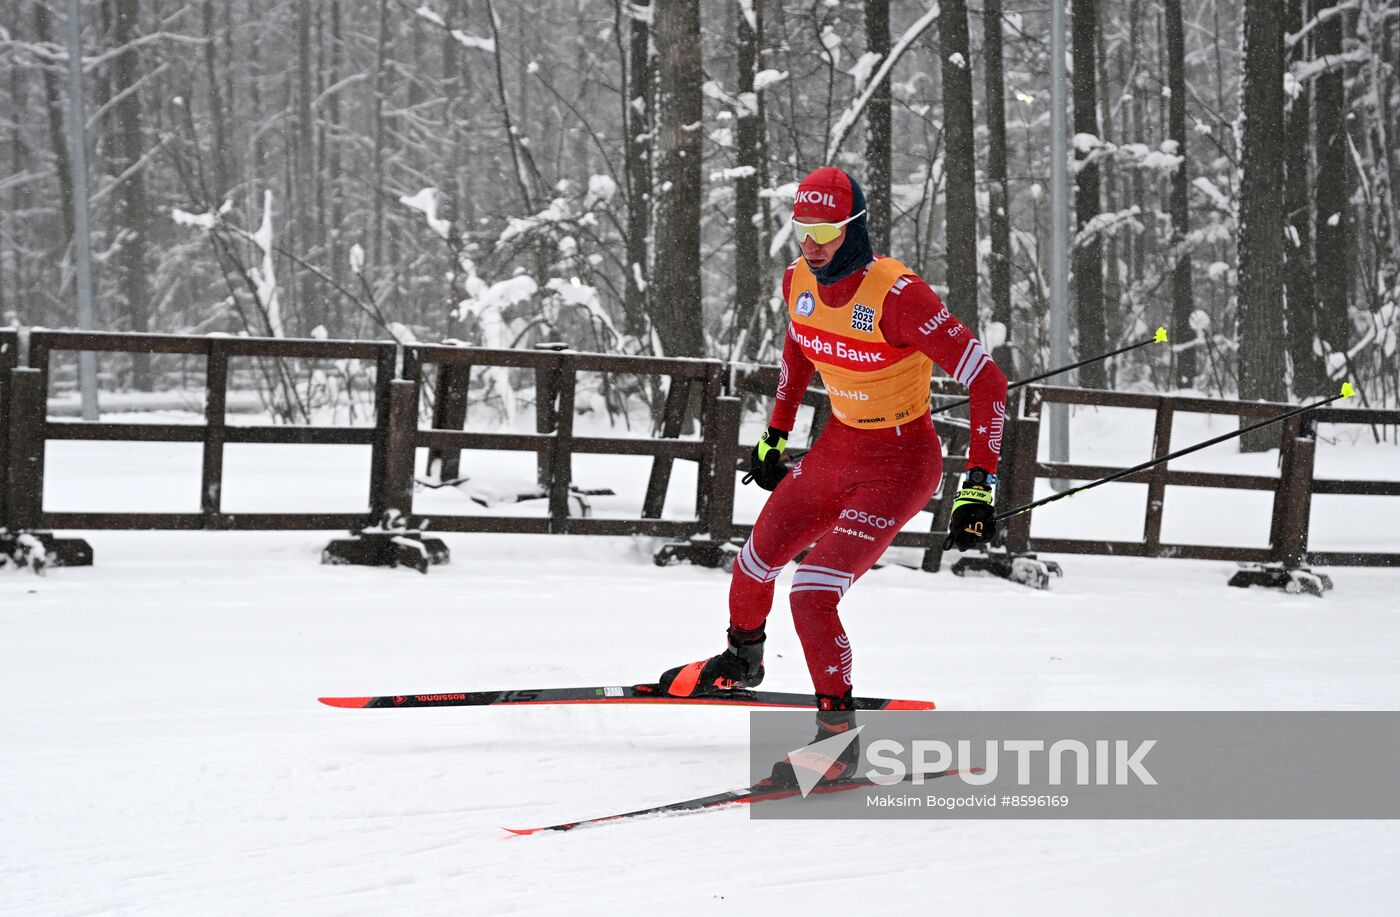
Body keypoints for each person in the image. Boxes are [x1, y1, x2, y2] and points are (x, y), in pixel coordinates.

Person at [657, 166, 1009, 784]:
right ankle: (742, 660)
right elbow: (797, 354)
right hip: (837, 449)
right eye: (802, 229)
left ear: (853, 228)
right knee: (753, 564)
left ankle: (837, 742)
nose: (811, 244)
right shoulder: (796, 279)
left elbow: (988, 380)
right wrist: (774, 435)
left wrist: (978, 483)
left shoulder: (899, 296)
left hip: (901, 463)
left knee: (812, 592)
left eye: (824, 230)